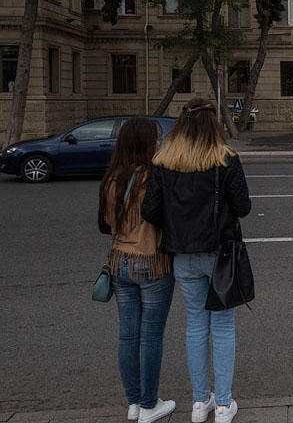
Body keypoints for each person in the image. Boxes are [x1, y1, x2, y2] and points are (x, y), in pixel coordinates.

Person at [142, 98, 251, 423]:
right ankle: (223, 406)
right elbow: (243, 206)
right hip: (219, 255)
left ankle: (199, 403)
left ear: (181, 123)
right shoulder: (225, 159)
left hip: (183, 256)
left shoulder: (164, 160)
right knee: (222, 327)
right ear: (213, 124)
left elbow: (149, 210)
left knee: (195, 327)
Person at [99, 117, 175, 423]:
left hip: (120, 261)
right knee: (151, 338)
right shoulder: (155, 177)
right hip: (151, 262)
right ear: (147, 143)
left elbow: (105, 224)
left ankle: (133, 402)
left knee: (127, 336)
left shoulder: (111, 178)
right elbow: (165, 219)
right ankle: (149, 404)